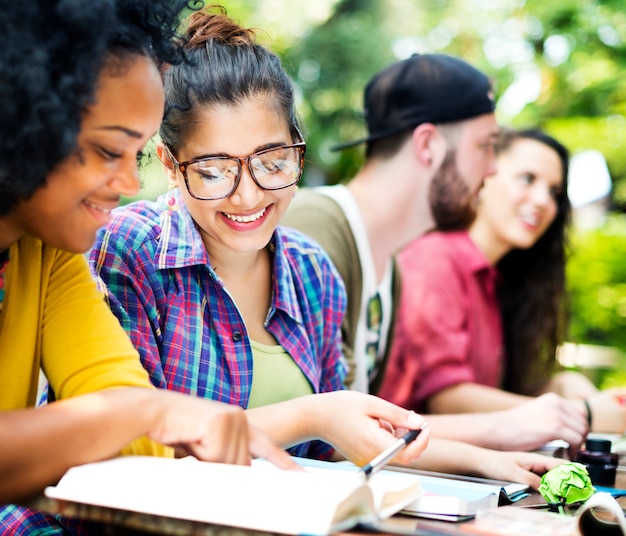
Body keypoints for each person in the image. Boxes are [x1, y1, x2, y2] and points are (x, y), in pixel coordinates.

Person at [0, 1, 299, 533]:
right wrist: (148, 413)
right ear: (22, 122)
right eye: (108, 150)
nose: (131, 184)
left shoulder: (49, 256)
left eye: (134, 155)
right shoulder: (115, 246)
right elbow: (136, 415)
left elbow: (128, 417)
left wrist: (143, 415)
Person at [89, 7, 429, 468]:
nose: (248, 196)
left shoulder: (313, 272)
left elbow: (334, 453)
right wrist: (310, 416)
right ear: (169, 164)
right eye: (214, 171)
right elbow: (123, 448)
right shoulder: (129, 250)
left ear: (298, 150)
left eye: (272, 163)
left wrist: (482, 460)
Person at [281, 55, 589, 456]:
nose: (492, 169)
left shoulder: (388, 266)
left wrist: (491, 456)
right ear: (427, 144)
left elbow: (363, 437)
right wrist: (493, 440)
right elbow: (318, 440)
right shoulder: (317, 229)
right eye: (485, 147)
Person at [379, 127, 626, 434]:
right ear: (485, 176)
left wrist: (556, 386)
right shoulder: (435, 258)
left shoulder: (498, 279)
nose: (542, 201)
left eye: (554, 193)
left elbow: (485, 391)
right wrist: (580, 414)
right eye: (527, 179)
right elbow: (448, 398)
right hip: (404, 467)